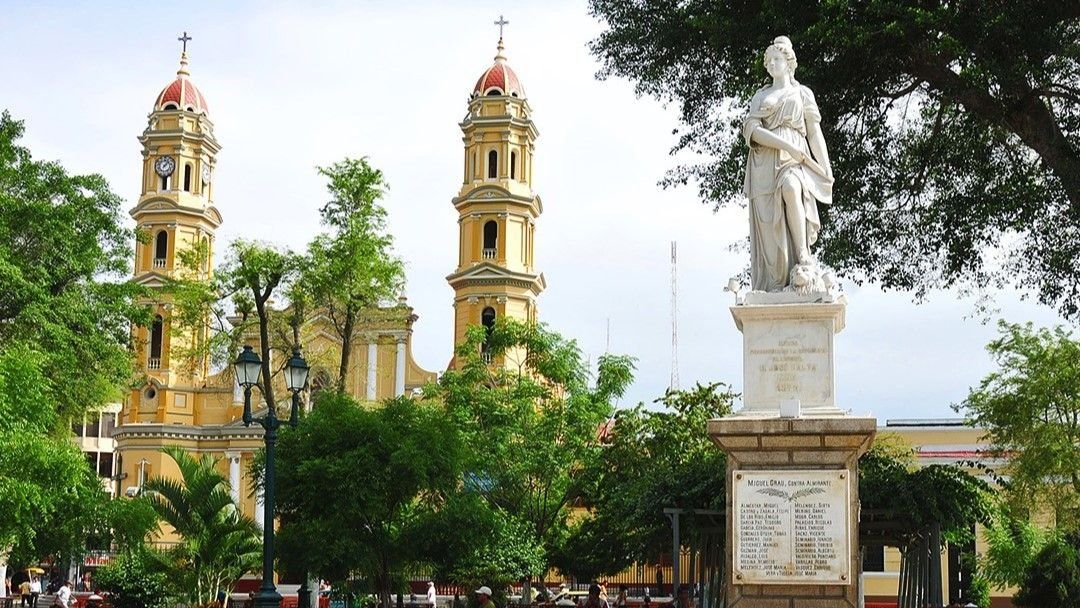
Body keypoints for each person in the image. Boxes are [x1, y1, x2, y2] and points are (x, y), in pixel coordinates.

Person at [742, 35, 834, 293]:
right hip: (764, 163)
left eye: (777, 59)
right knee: (771, 241)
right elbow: (752, 131)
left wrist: (825, 166)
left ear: (789, 62)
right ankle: (776, 280)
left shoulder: (802, 93)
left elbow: (815, 133)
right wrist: (784, 145)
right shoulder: (760, 96)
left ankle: (804, 255)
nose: (772, 63)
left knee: (793, 187)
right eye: (768, 60)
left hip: (794, 160)